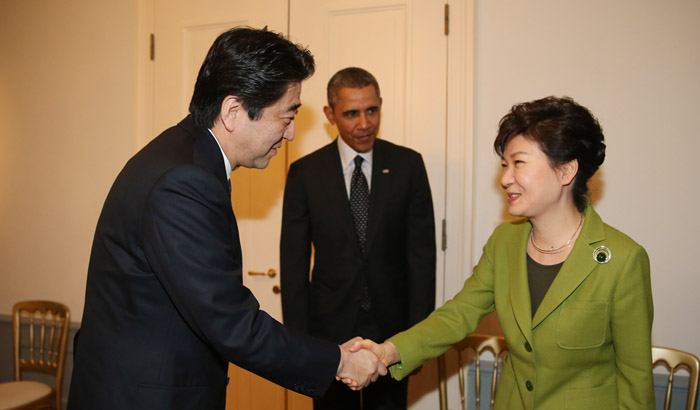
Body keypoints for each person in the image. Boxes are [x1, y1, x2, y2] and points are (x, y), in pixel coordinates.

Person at [67, 27, 385, 410]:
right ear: (234, 111)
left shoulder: (186, 157)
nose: (290, 133)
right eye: (286, 116)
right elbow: (232, 323)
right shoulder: (181, 181)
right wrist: (340, 360)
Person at [351, 96, 655, 409]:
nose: (505, 178)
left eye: (519, 163)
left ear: (566, 171)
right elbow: (458, 315)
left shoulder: (622, 259)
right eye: (504, 165)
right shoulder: (504, 243)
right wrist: (388, 351)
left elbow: (636, 380)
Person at [280, 67, 436, 410]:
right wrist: (297, 342)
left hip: (393, 330)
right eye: (351, 113)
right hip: (329, 333)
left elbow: (422, 258)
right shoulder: (306, 173)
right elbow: (292, 264)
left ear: (381, 105)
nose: (364, 123)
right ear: (330, 114)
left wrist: (419, 338)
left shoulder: (408, 165)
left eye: (372, 110)